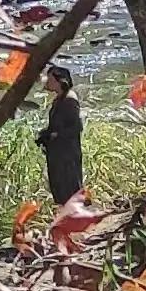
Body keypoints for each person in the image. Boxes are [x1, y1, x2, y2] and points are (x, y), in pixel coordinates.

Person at [39, 67, 87, 202]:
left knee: (69, 187)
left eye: (50, 79)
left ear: (60, 81)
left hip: (67, 154)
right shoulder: (59, 99)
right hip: (58, 153)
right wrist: (46, 134)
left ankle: (77, 212)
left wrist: (56, 135)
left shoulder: (70, 100)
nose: (47, 82)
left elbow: (76, 127)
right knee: (59, 187)